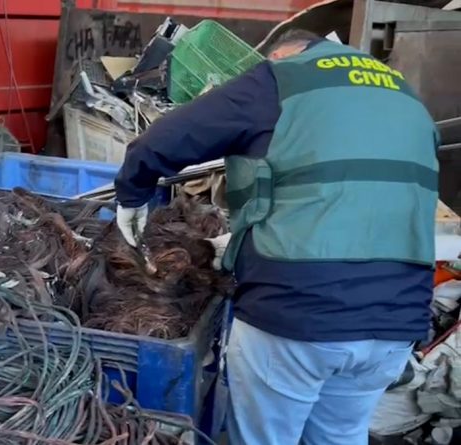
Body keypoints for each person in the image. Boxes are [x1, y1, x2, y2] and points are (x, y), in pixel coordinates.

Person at [114, 29, 439, 445]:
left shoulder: (283, 77)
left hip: (298, 311)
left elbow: (164, 140)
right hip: (396, 317)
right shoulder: (405, 94)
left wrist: (132, 194)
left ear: (284, 53)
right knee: (339, 436)